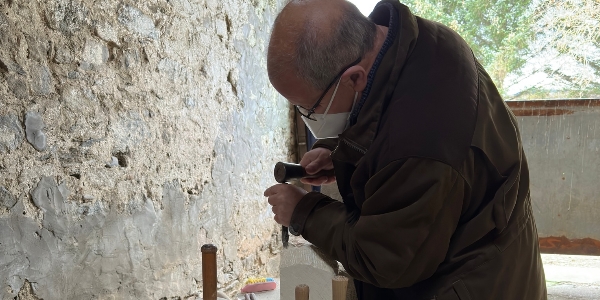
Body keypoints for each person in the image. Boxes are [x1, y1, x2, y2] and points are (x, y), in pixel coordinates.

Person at [263, 0, 547, 299]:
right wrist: (343, 151)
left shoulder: (422, 141)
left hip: (472, 286)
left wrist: (304, 211)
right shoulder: (420, 43)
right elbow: (387, 121)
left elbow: (384, 259)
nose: (310, 117)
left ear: (354, 78)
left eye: (309, 108)